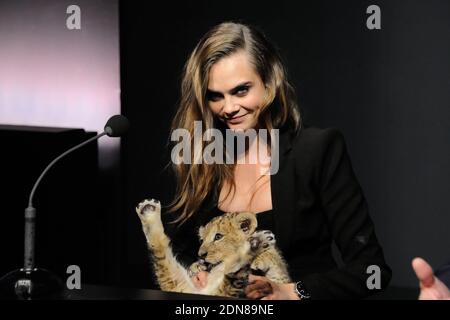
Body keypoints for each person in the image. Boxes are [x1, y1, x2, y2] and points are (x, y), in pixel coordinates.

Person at [162, 21, 391, 300]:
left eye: (241, 90)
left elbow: (372, 270)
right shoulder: (205, 160)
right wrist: (195, 272)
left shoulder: (316, 150)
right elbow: (183, 252)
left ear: (269, 80)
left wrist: (291, 291)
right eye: (215, 97)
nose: (229, 107)